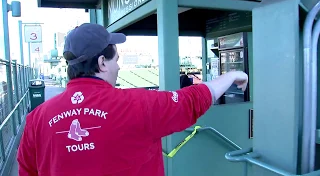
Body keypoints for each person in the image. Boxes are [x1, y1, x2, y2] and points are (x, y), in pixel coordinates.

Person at [17, 23, 248, 176]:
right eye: (116, 58)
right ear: (102, 63)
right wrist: (232, 75)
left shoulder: (37, 118)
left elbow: (27, 171)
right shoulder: (137, 105)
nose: (119, 65)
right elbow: (192, 100)